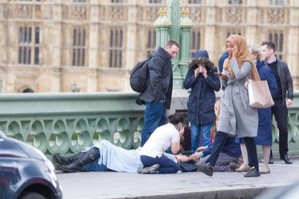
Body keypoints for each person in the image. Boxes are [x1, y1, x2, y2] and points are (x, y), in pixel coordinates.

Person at [196, 34, 261, 177]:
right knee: (221, 131)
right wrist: (224, 78)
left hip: (242, 101)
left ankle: (255, 167)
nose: (230, 49)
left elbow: (239, 75)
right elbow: (225, 84)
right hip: (228, 99)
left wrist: (232, 62)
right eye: (228, 46)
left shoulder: (247, 62)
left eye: (232, 46)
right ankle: (210, 165)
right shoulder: (227, 61)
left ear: (240, 46)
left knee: (247, 134)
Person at [236, 44, 278, 174]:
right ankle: (246, 163)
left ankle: (265, 165)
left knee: (264, 137)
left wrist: (254, 87)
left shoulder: (264, 70)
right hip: (247, 107)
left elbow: (274, 89)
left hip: (261, 108)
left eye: (248, 54)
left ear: (254, 55)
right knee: (243, 135)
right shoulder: (245, 69)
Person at [54, 140, 189, 173]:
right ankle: (71, 161)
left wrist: (188, 159)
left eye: (183, 155)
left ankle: (72, 163)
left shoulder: (173, 163)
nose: (181, 155)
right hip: (133, 155)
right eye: (182, 154)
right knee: (103, 148)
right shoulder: (169, 156)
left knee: (105, 146)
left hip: (134, 160)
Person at [138, 40, 180, 146]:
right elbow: (155, 80)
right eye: (173, 52)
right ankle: (144, 155)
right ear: (167, 48)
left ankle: (162, 154)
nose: (174, 55)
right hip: (155, 100)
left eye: (176, 53)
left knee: (164, 129)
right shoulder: (157, 59)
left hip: (160, 101)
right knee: (149, 130)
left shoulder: (165, 60)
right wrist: (159, 97)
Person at [260, 41, 294, 164]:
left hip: (280, 101)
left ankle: (284, 154)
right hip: (266, 101)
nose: (262, 53)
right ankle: (269, 156)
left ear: (271, 51)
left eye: (264, 50)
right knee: (266, 129)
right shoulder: (261, 66)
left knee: (283, 127)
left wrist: (290, 97)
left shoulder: (282, 65)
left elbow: (289, 82)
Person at [183, 50, 221, 153]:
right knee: (194, 135)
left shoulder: (213, 70)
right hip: (194, 108)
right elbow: (185, 84)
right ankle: (194, 157)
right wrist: (194, 76)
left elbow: (217, 87)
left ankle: (205, 158)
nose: (200, 65)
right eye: (198, 63)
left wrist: (206, 76)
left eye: (203, 63)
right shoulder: (192, 70)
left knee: (205, 135)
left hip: (207, 108)